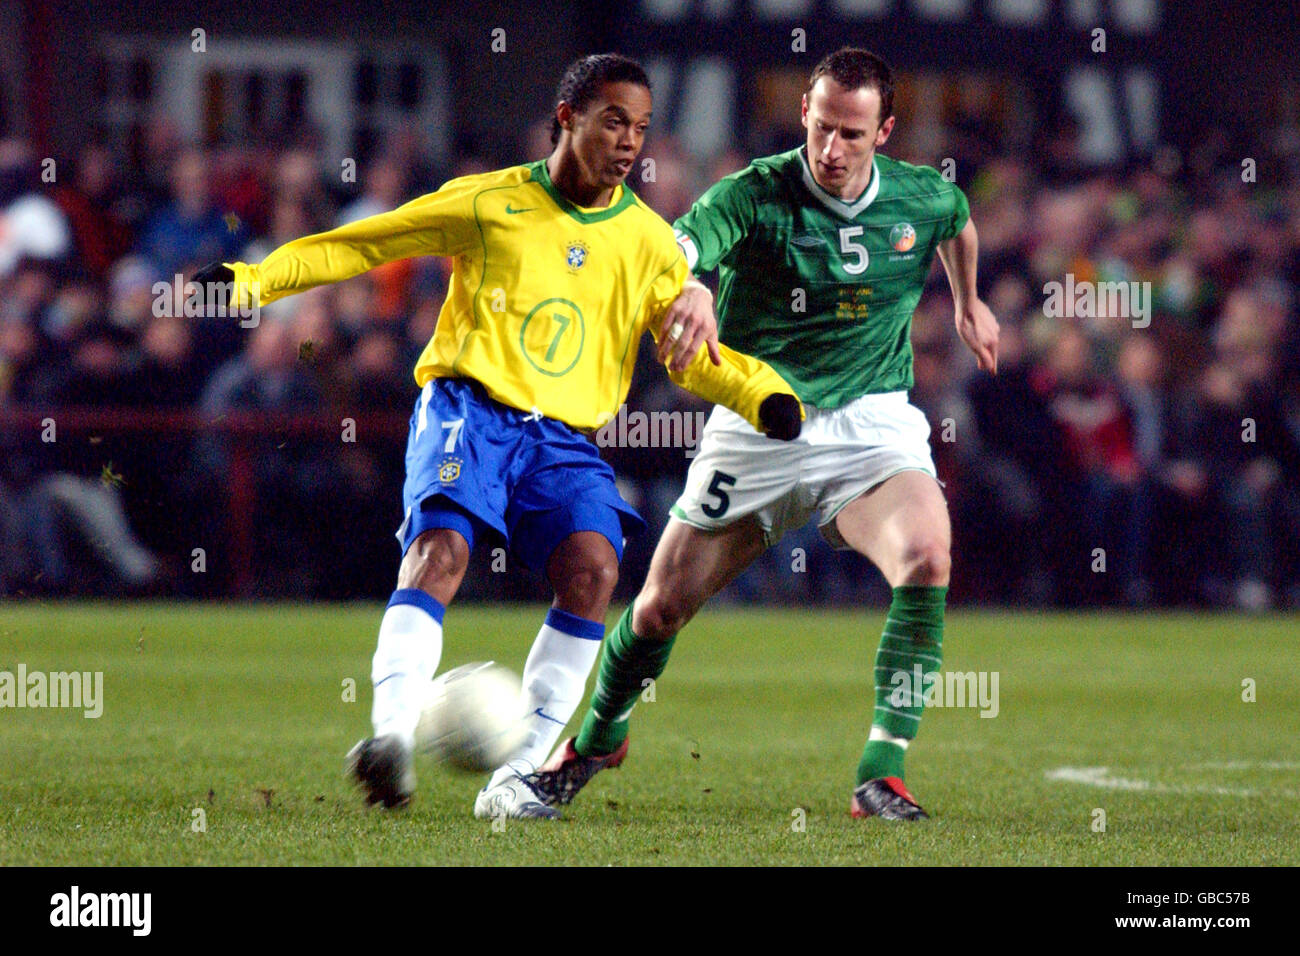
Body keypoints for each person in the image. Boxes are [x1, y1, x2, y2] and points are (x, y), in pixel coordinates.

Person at [190, 53, 803, 818]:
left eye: (641, 128)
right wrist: (252, 283)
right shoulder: (488, 202)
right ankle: (390, 740)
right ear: (567, 117)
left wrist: (763, 394)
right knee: (439, 552)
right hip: (469, 410)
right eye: (613, 120)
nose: (628, 142)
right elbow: (365, 243)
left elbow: (690, 354)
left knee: (593, 571)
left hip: (566, 440)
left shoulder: (649, 242)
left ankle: (519, 774)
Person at [528, 47, 1000, 821]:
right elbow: (680, 245)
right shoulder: (755, 192)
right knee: (657, 612)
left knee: (926, 556)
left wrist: (967, 301)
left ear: (883, 131)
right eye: (819, 128)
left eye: (851, 133)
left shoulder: (921, 196)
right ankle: (598, 736)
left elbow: (959, 223)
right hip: (758, 420)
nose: (831, 150)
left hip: (870, 422)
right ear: (805, 118)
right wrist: (688, 287)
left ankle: (881, 770)